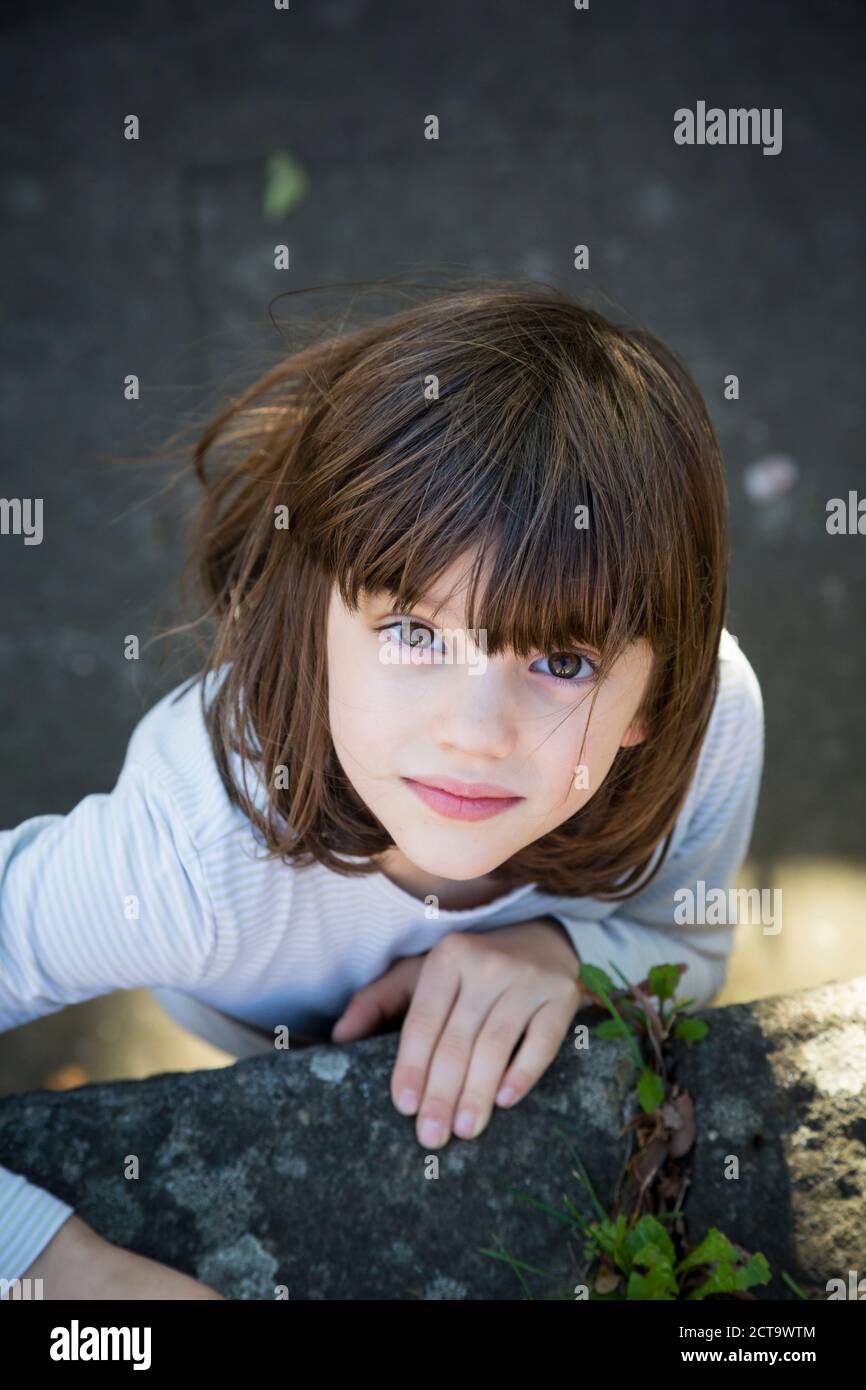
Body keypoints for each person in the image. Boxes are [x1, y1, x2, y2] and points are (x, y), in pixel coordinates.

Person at [0, 281, 763, 1298]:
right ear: (315, 619)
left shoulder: (708, 731)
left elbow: (693, 940)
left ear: (652, 694)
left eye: (563, 663)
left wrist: (576, 957)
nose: (471, 733)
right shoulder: (184, 863)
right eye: (413, 633)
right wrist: (55, 1268)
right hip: (241, 1002)